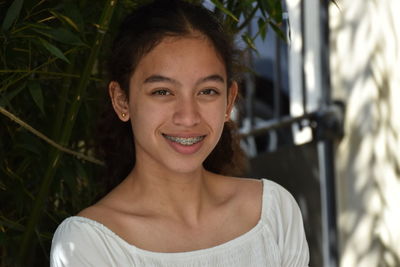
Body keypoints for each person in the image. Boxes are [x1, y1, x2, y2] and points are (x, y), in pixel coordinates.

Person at [50, 0, 309, 266]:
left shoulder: (272, 213)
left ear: (229, 101)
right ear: (122, 101)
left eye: (207, 91)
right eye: (162, 92)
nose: (188, 117)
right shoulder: (88, 244)